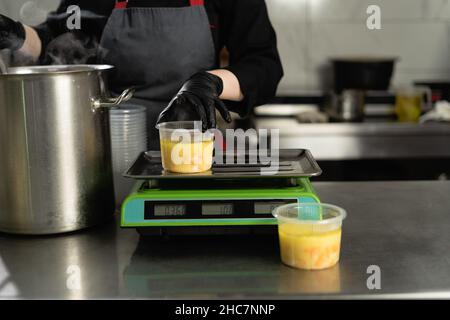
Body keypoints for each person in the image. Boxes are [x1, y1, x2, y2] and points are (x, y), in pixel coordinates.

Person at [0, 0, 283, 148]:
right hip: (108, 156)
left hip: (193, 152)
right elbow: (59, 44)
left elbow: (263, 65)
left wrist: (211, 83)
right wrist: (15, 34)